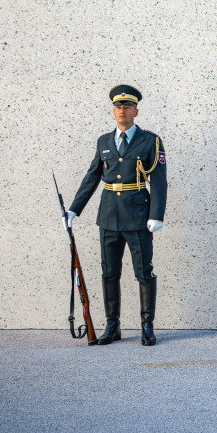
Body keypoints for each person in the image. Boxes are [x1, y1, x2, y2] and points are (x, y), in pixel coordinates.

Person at [64, 85, 167, 346]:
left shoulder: (150, 141)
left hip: (138, 215)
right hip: (109, 216)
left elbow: (159, 180)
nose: (122, 111)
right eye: (118, 107)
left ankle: (147, 327)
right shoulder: (104, 141)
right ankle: (113, 326)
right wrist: (75, 208)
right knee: (109, 272)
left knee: (144, 272)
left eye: (127, 107)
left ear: (136, 111)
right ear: (113, 111)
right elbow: (92, 177)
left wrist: (157, 215)